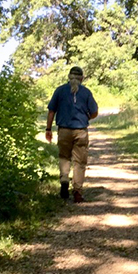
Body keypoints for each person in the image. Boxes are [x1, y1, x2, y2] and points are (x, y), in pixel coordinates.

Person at [47, 66, 98, 203]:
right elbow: (94, 112)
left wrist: (48, 129)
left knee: (64, 156)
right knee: (79, 162)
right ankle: (77, 192)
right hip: (80, 130)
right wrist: (87, 117)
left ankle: (64, 179)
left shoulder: (59, 91)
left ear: (69, 77)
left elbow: (51, 111)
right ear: (82, 78)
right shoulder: (86, 92)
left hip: (63, 130)